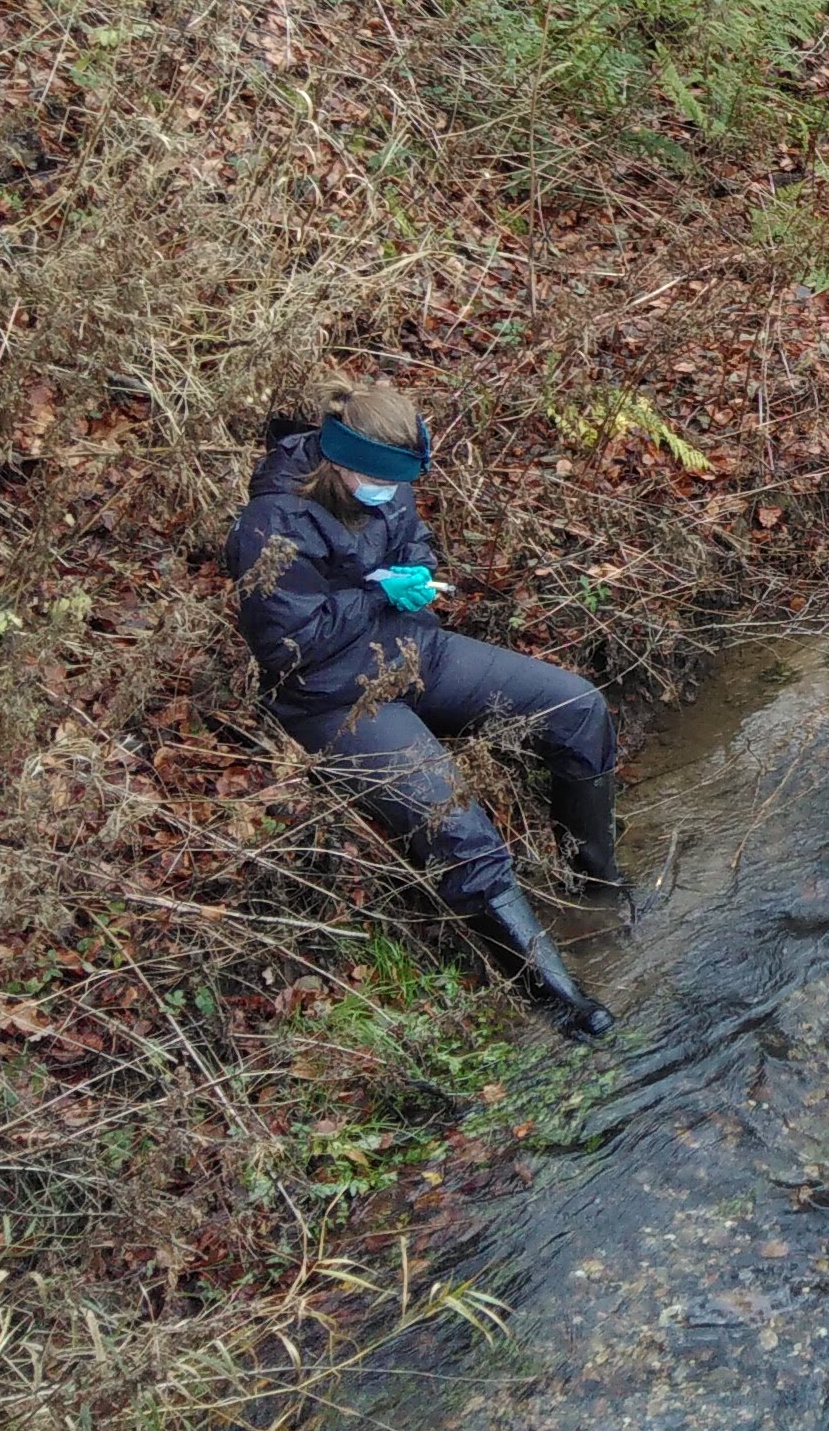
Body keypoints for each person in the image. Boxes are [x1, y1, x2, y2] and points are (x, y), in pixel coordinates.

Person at [226, 382, 620, 1038]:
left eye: (401, 482)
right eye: (382, 480)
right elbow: (283, 644)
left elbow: (414, 542)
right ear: (344, 462)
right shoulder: (273, 523)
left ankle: (601, 896)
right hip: (331, 697)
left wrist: (413, 576)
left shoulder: (388, 479)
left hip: (413, 651)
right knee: (461, 831)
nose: (392, 491)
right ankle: (558, 1001)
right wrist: (374, 595)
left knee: (578, 708)